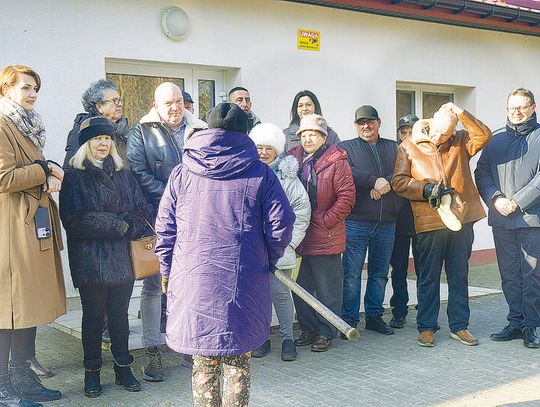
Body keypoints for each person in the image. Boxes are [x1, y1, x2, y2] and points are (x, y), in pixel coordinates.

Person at [155, 103, 295, 406]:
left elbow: (165, 228)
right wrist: (267, 257)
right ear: (245, 132)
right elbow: (280, 224)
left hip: (194, 280)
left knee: (203, 364)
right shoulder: (261, 173)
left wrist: (167, 270)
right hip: (242, 280)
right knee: (237, 363)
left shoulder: (182, 172)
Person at [60, 117, 152, 397]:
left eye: (107, 139)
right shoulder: (74, 175)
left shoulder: (123, 173)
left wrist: (128, 224)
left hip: (122, 259)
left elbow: (143, 209)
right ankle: (92, 372)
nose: (103, 143)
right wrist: (116, 225)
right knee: (93, 317)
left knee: (119, 316)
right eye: (97, 139)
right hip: (91, 261)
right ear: (86, 143)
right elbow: (73, 219)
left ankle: (124, 367)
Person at [392, 102, 491, 347]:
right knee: (428, 276)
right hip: (429, 220)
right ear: (430, 123)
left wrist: (459, 112)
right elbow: (398, 181)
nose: (441, 137)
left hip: (461, 218)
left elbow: (484, 135)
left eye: (447, 133)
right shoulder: (408, 146)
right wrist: (425, 189)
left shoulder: (460, 140)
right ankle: (426, 326)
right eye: (438, 132)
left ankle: (460, 326)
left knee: (459, 275)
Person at [126, 82, 206, 381]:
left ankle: (187, 344)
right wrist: (174, 197)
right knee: (152, 287)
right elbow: (138, 172)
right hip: (156, 218)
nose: (175, 107)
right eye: (167, 103)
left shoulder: (200, 129)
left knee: (189, 283)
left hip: (196, 219)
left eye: (178, 101)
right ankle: (153, 350)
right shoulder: (142, 131)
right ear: (156, 106)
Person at [0, 64, 66, 406]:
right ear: (6, 89)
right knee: (10, 310)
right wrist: (43, 169)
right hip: (13, 230)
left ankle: (23, 378)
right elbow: (4, 178)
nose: (32, 93)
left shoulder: (24, 126)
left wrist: (45, 168)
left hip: (30, 226)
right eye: (25, 87)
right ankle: (3, 385)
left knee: (28, 308)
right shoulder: (1, 124)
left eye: (35, 88)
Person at [475, 88, 540, 349]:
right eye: (512, 107)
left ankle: (531, 326)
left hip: (531, 219)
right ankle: (515, 322)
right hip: (501, 219)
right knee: (509, 274)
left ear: (533, 108)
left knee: (532, 274)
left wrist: (518, 201)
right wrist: (496, 198)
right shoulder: (495, 140)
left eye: (522, 107)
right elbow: (481, 173)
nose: (516, 112)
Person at [289, 114, 355, 352]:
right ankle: (308, 329)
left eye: (312, 134)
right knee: (301, 287)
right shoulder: (292, 159)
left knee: (328, 289)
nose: (307, 138)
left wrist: (326, 221)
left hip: (325, 235)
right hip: (300, 236)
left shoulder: (336, 161)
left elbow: (347, 197)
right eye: (303, 135)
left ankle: (326, 332)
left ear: (323, 137)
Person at [249, 123, 311, 361]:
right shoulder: (247, 174)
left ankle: (288, 339)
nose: (264, 153)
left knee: (281, 294)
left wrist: (290, 243)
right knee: (258, 296)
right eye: (259, 147)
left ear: (277, 151)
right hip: (253, 250)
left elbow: (302, 212)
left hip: (280, 249)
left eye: (269, 148)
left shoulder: (288, 179)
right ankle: (261, 338)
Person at [339, 106, 403, 336]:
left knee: (379, 273)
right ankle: (349, 319)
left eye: (370, 121)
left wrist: (384, 184)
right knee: (352, 274)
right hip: (356, 222)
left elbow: (402, 171)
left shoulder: (393, 147)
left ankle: (374, 316)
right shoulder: (346, 148)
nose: (366, 126)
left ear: (379, 122)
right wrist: (372, 181)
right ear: (356, 125)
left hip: (387, 222)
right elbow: (348, 171)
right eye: (361, 123)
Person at [389, 114, 419, 329]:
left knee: (425, 269)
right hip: (398, 221)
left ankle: (426, 309)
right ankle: (399, 310)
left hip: (421, 220)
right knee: (398, 269)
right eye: (403, 132)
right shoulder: (393, 154)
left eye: (411, 132)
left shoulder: (426, 153)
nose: (407, 136)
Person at [63, 79, 128, 167]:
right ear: (99, 106)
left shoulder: (124, 131)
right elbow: (70, 168)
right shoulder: (83, 130)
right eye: (115, 101)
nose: (120, 104)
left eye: (120, 100)